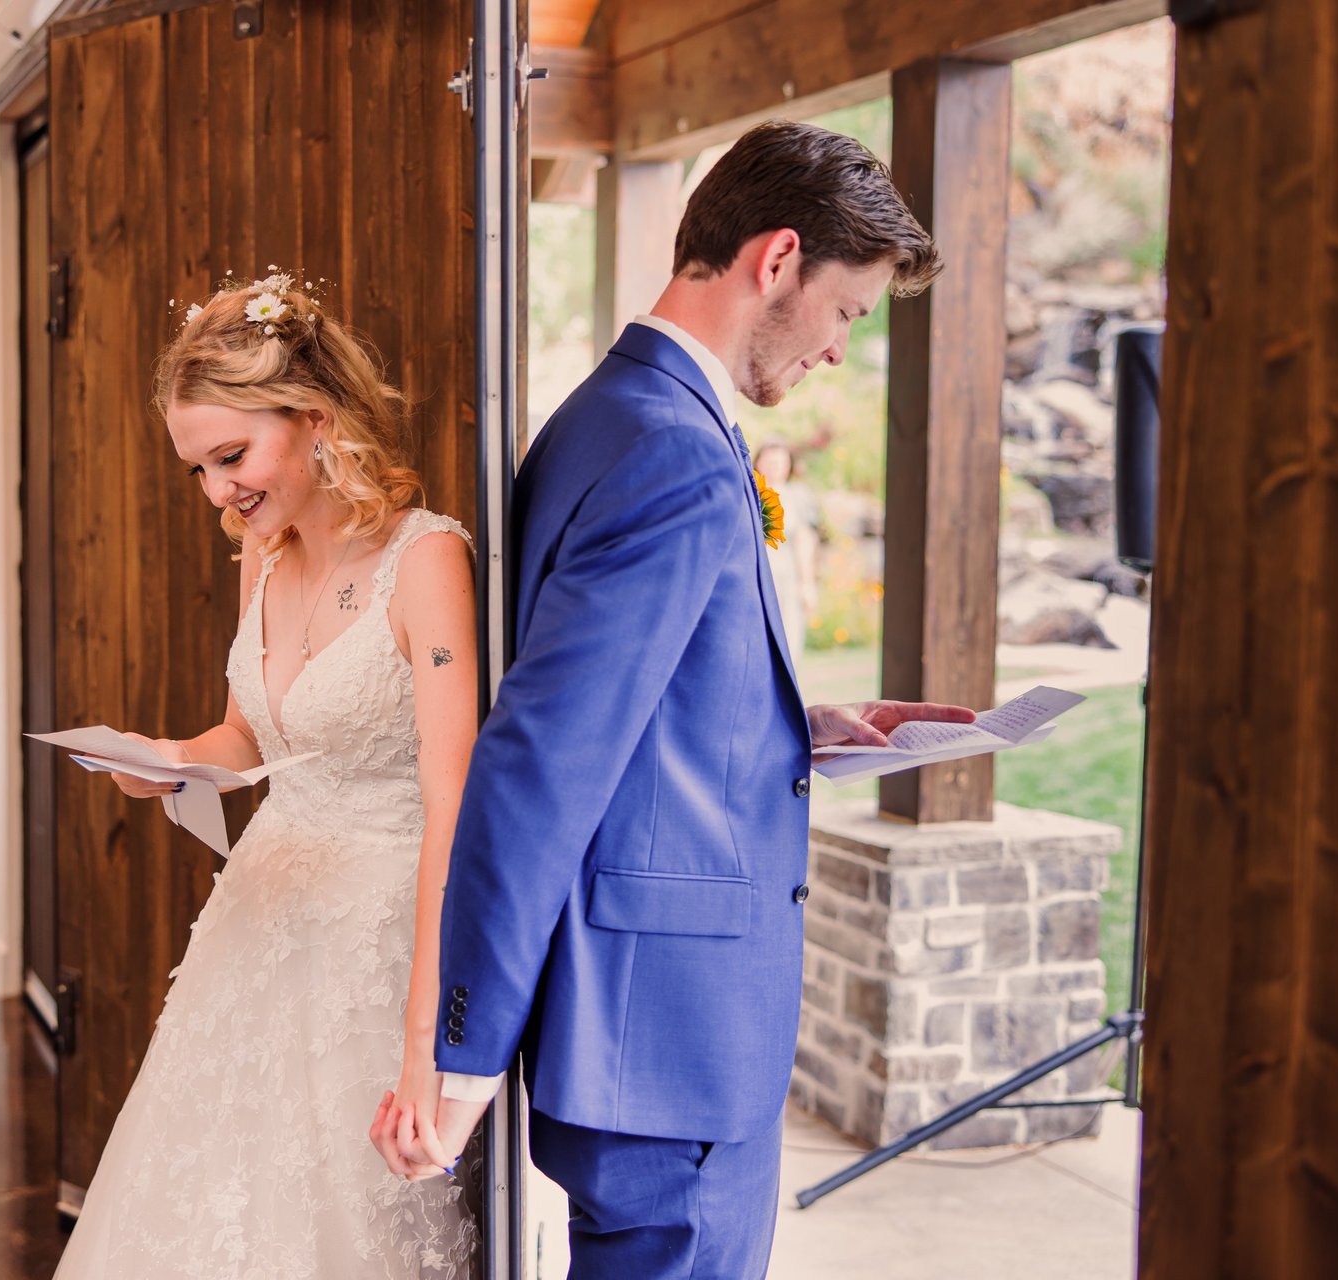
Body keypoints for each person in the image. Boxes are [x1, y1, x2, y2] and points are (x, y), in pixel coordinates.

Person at [392, 121, 974, 1278]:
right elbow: (541, 758)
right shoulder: (676, 452)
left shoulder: (608, 414)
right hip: (670, 1043)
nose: (841, 351)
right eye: (849, 312)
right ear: (778, 260)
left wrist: (800, 726)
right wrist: (463, 1056)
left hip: (642, 1036)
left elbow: (630, 710)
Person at [54, 273, 477, 1278]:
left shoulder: (425, 563)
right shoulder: (263, 550)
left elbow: (458, 810)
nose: (218, 492)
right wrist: (165, 760)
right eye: (198, 468)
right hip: (259, 915)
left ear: (315, 418)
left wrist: (430, 1048)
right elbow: (249, 737)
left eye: (231, 456)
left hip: (373, 944)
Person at [752, 440, 820, 666]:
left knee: (789, 633)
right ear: (758, 461)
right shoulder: (750, 493)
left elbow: (804, 541)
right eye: (770, 460)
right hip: (755, 572)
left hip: (786, 573)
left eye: (781, 461)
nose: (775, 466)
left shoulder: (796, 496)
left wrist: (807, 583)